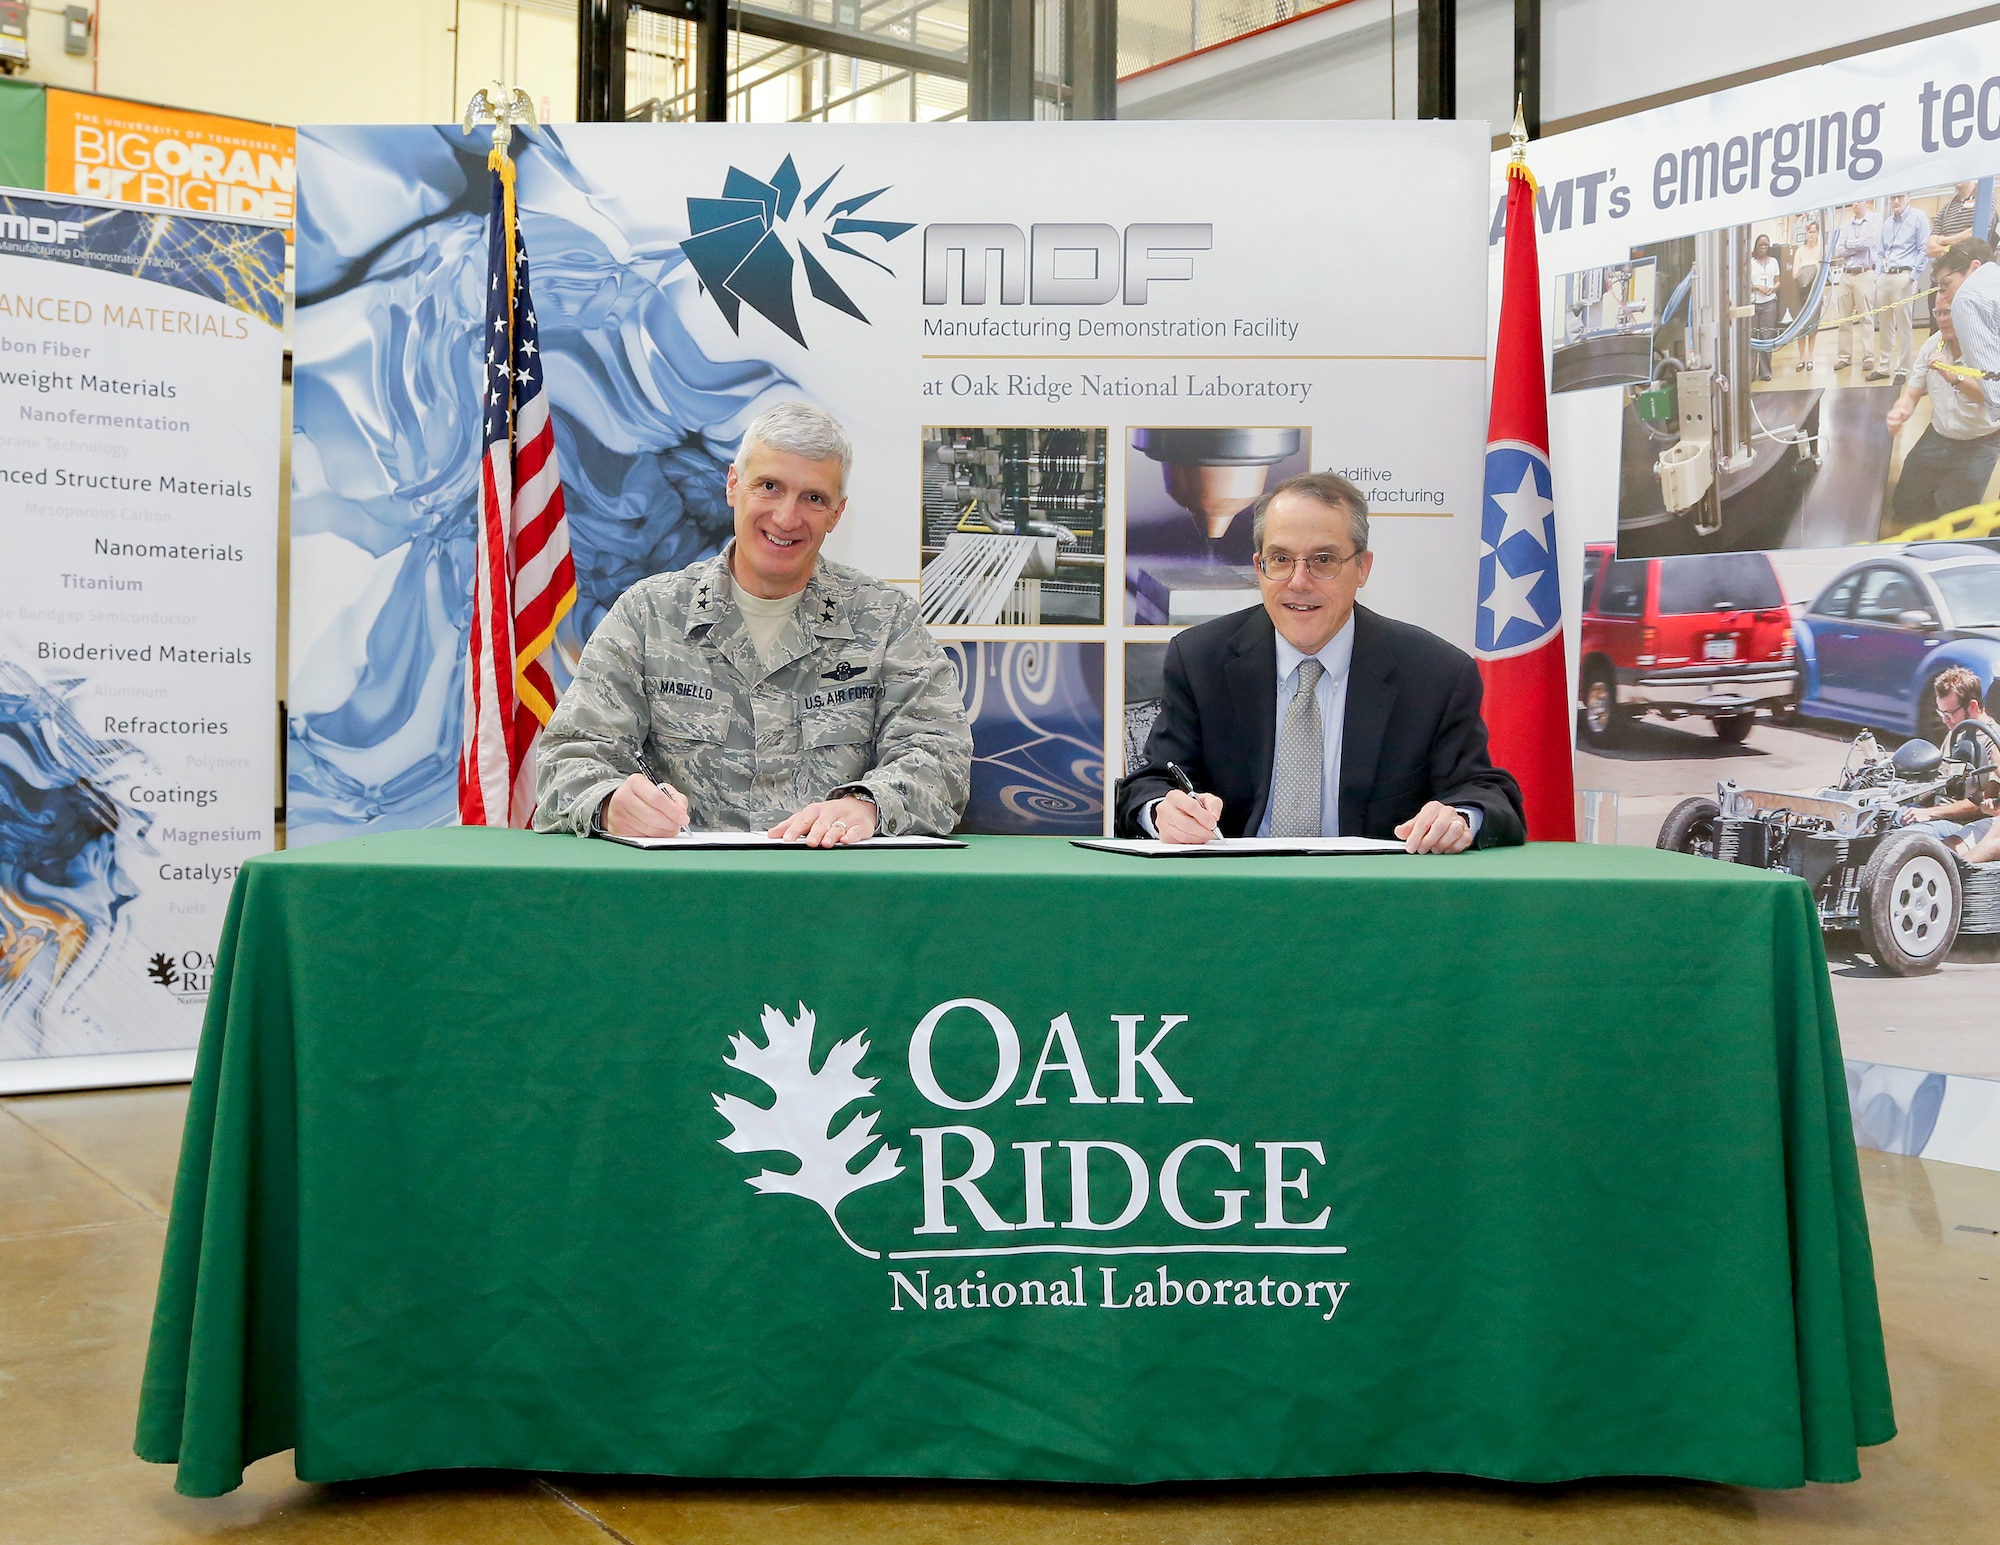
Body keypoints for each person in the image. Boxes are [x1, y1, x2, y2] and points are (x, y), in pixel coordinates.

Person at [533, 401, 972, 845]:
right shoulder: (649, 616)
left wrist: (867, 804)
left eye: (814, 498)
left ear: (837, 513)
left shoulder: (886, 620)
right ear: (733, 486)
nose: (786, 517)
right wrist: (611, 804)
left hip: (836, 893)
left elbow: (941, 759)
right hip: (682, 894)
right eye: (769, 486)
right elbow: (567, 759)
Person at [1114, 471, 1525, 851]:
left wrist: (1459, 818)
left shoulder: (1434, 673)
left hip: (1374, 901)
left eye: (1323, 560)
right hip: (1235, 896)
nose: (1298, 581)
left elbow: (1487, 792)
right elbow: (1150, 782)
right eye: (1280, 559)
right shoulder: (1200, 658)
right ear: (1259, 567)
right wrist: (1161, 812)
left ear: (1362, 568)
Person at [1886, 257, 2000, 518]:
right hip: (1938, 434)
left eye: (1950, 312)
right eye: (1939, 313)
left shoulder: (1986, 345)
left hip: (1980, 441)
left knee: (1954, 521)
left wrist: (1954, 376)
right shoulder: (1932, 345)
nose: (1944, 320)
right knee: (1904, 506)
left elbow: (1993, 397)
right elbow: (1912, 393)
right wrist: (1900, 412)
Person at [1897, 666, 1999, 839]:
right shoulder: (1957, 732)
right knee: (1881, 818)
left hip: (1960, 824)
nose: (1945, 720)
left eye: (1950, 713)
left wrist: (1930, 813)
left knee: (1904, 837)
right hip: (1936, 811)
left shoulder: (1993, 739)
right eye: (1941, 712)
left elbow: (1980, 804)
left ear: (1972, 705)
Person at [1872, 193, 1932, 386]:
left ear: (1908, 197)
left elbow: (1924, 248)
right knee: (1885, 324)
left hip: (1904, 276)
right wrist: (1877, 276)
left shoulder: (1918, 217)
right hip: (1885, 278)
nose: (1896, 202)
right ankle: (1883, 366)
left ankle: (1903, 369)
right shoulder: (1887, 223)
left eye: (1900, 197)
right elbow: (1880, 252)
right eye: (1892, 198)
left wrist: (1913, 276)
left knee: (1904, 325)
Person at [1830, 199, 1880, 375]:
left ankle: (1868, 356)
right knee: (1844, 318)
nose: (1855, 204)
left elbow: (1868, 243)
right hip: (1846, 275)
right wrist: (1856, 244)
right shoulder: (1845, 225)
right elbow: (1838, 250)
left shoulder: (1875, 220)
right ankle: (1844, 357)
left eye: (1859, 201)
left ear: (1867, 202)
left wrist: (1850, 244)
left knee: (1866, 317)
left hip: (1864, 274)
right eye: (1853, 202)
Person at [1791, 219, 1823, 374]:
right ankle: (1801, 358)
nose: (1812, 234)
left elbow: (1821, 270)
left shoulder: (1821, 250)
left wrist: (1811, 272)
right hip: (1801, 293)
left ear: (1818, 233)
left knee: (1812, 327)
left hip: (1815, 292)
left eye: (1814, 231)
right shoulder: (1799, 251)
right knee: (1801, 327)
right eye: (1809, 231)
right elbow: (1794, 273)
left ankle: (1810, 357)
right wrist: (1808, 272)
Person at [1749, 234, 1780, 383]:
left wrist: (1773, 288)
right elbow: (1745, 283)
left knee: (1767, 338)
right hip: (1754, 304)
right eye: (1760, 245)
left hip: (1769, 303)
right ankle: (1750, 373)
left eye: (1766, 245)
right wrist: (1757, 287)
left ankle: (1765, 372)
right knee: (1753, 339)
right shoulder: (1750, 263)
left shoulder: (1773, 262)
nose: (1763, 247)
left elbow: (1778, 281)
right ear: (1755, 247)